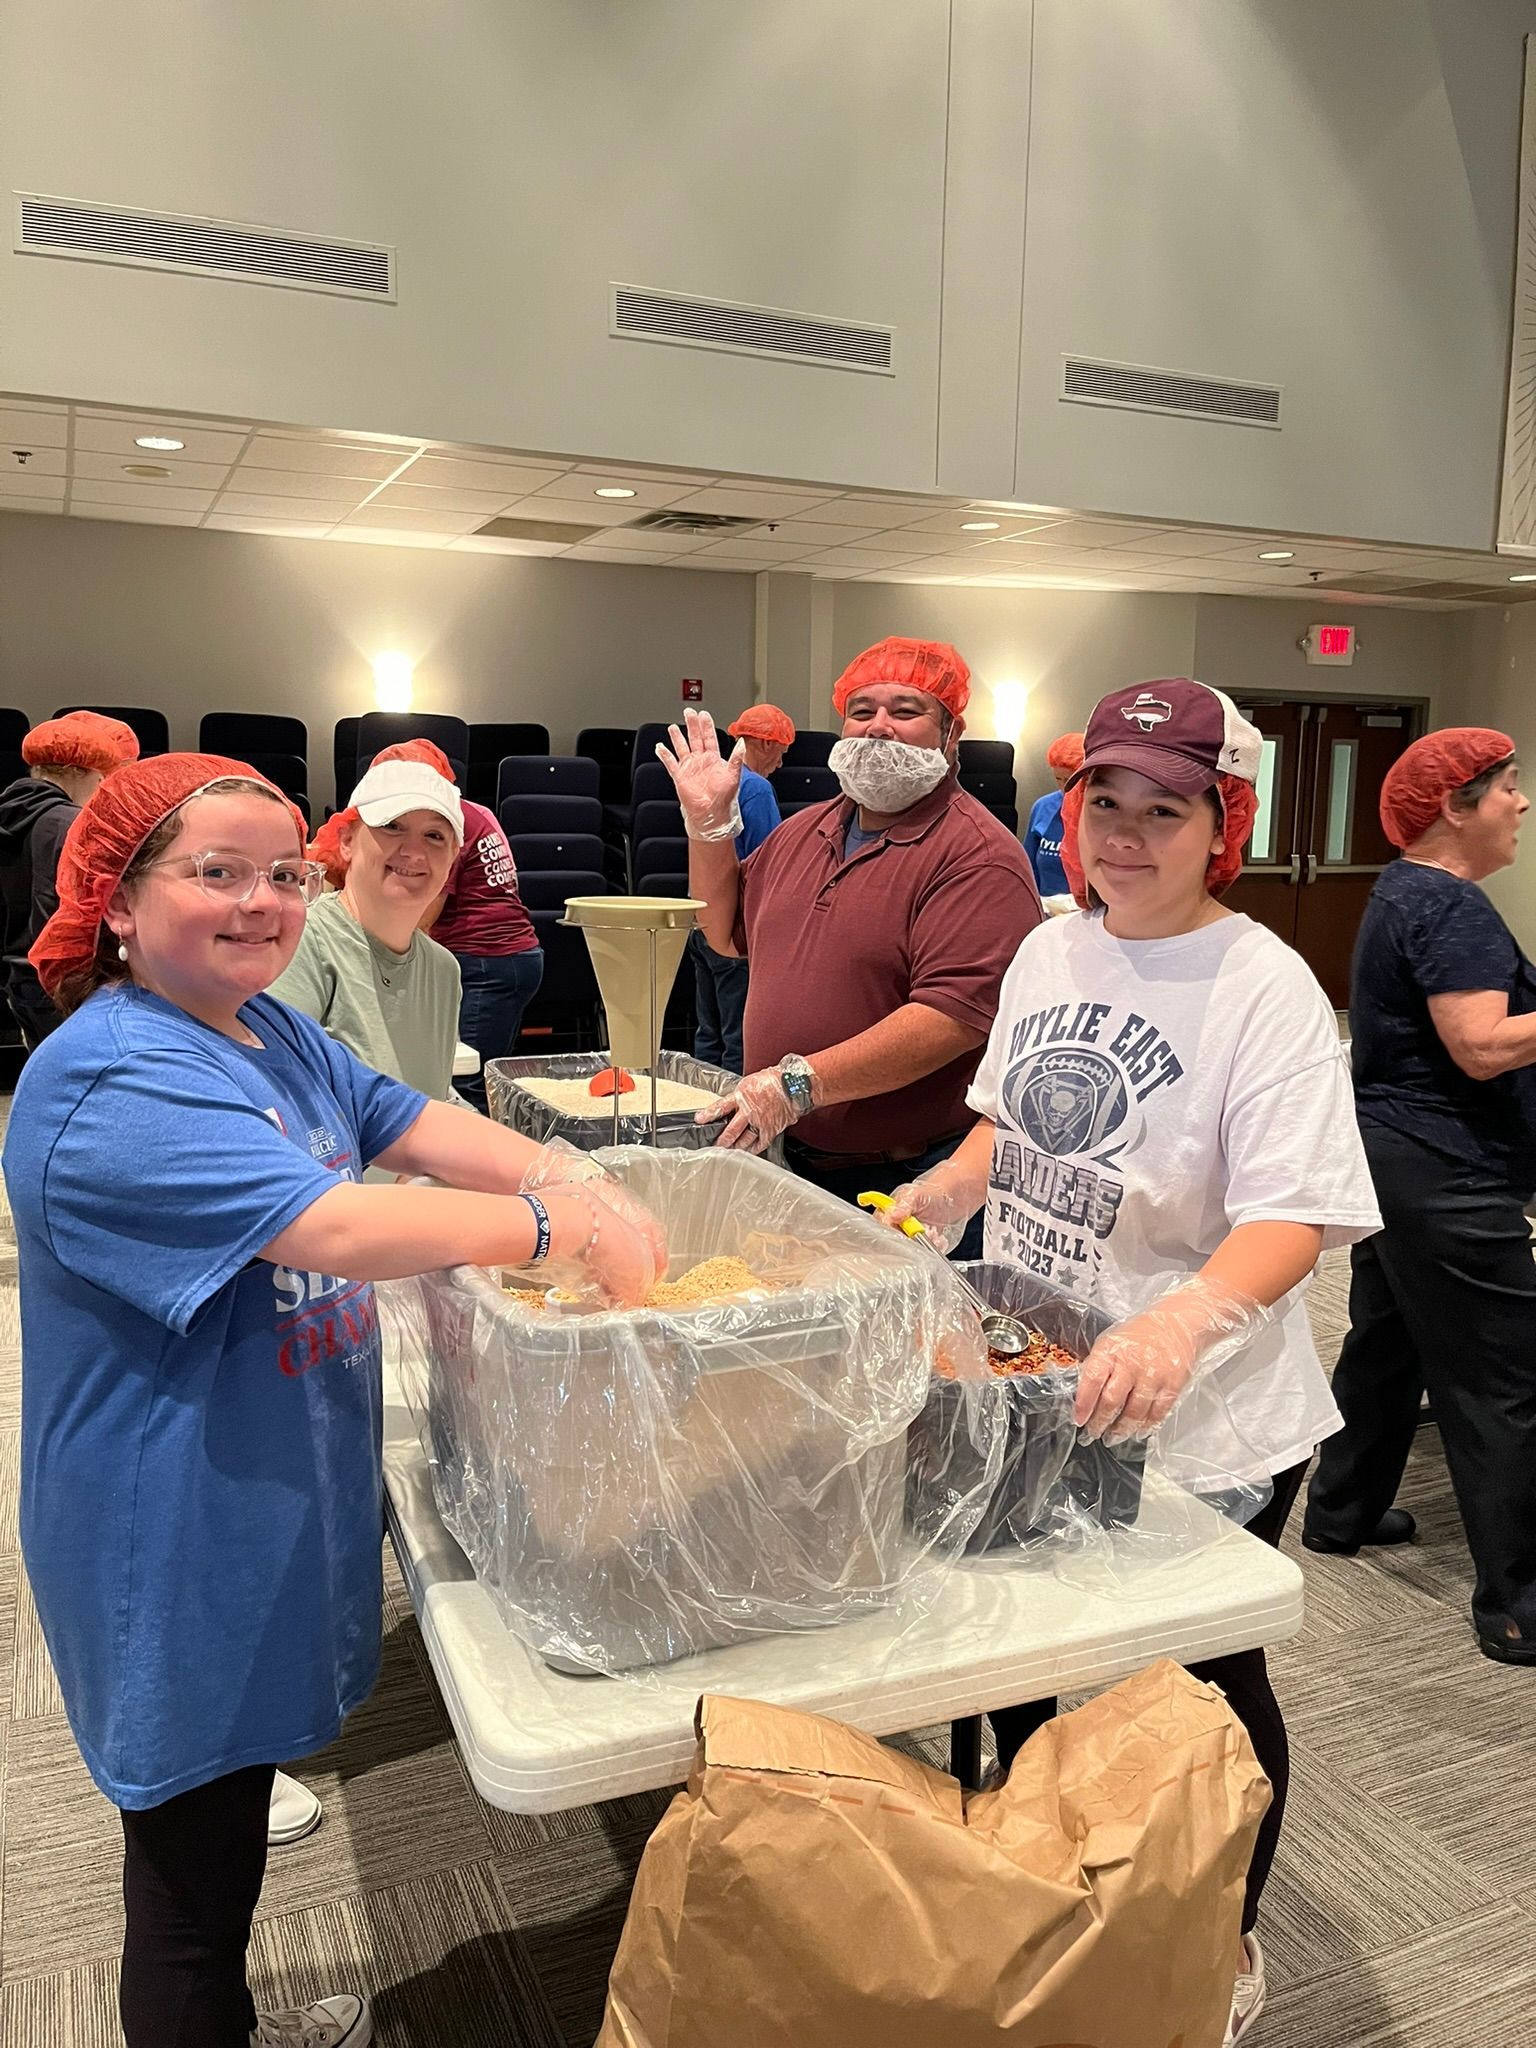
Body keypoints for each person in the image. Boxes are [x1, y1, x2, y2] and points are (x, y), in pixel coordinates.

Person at [3, 753, 665, 2048]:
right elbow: (332, 1226)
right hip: (169, 1531)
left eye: (281, 874)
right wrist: (556, 1226)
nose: (261, 901)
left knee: (232, 1832)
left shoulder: (266, 1026)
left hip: (260, 1492)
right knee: (189, 1891)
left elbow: (402, 1117)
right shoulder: (111, 1074)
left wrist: (568, 1170)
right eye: (217, 872)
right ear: (119, 900)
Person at [875, 679, 1380, 2045]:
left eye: (1167, 809)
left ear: (1224, 826)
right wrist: (948, 1186)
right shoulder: (1053, 949)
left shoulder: (1264, 987)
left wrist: (1175, 1321)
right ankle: (1040, 1877)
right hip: (1035, 1378)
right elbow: (1008, 1123)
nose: (1126, 833)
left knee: (1202, 1689)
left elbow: (1296, 1215)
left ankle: (1223, 1935)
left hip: (1198, 1412)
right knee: (1018, 1651)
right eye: (1107, 801)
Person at [659, 639, 1040, 1256]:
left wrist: (797, 1086)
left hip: (903, 1184)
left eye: (906, 710)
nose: (878, 726)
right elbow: (723, 933)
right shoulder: (802, 833)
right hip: (790, 1159)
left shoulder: (978, 856)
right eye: (862, 711)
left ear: (951, 734)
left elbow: (950, 1019)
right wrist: (708, 828)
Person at [1302, 728, 1536, 1666]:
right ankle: (1518, 1604)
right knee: (1503, 1381)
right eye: (1508, 786)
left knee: (1388, 1343)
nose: (1521, 803)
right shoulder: (1451, 904)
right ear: (1454, 805)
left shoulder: (1401, 888)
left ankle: (1342, 1511)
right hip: (1447, 1174)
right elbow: (1480, 1046)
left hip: (1389, 1163)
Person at [273, 756, 464, 1105]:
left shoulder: (444, 969)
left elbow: (432, 1097)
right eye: (392, 826)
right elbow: (281, 1099)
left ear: (452, 857)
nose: (414, 852)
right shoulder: (301, 942)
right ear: (347, 840)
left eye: (434, 836)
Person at [0, 710, 139, 1046]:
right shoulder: (71, 824)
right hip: (60, 982)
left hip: (15, 977)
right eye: (100, 778)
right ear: (79, 771)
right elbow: (66, 906)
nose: (101, 787)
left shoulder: (8, 813)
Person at [689, 702, 793, 1074]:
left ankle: (701, 1102)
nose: (780, 763)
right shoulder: (757, 789)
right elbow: (768, 862)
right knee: (738, 1038)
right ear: (765, 743)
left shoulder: (709, 780)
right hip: (736, 925)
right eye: (781, 752)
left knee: (708, 1032)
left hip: (700, 920)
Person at [1023, 730, 1084, 913]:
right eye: (1059, 779)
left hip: (1084, 914)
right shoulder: (1043, 807)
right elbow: (1028, 867)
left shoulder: (1097, 813)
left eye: (1071, 779)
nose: (1065, 787)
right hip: (1045, 911)